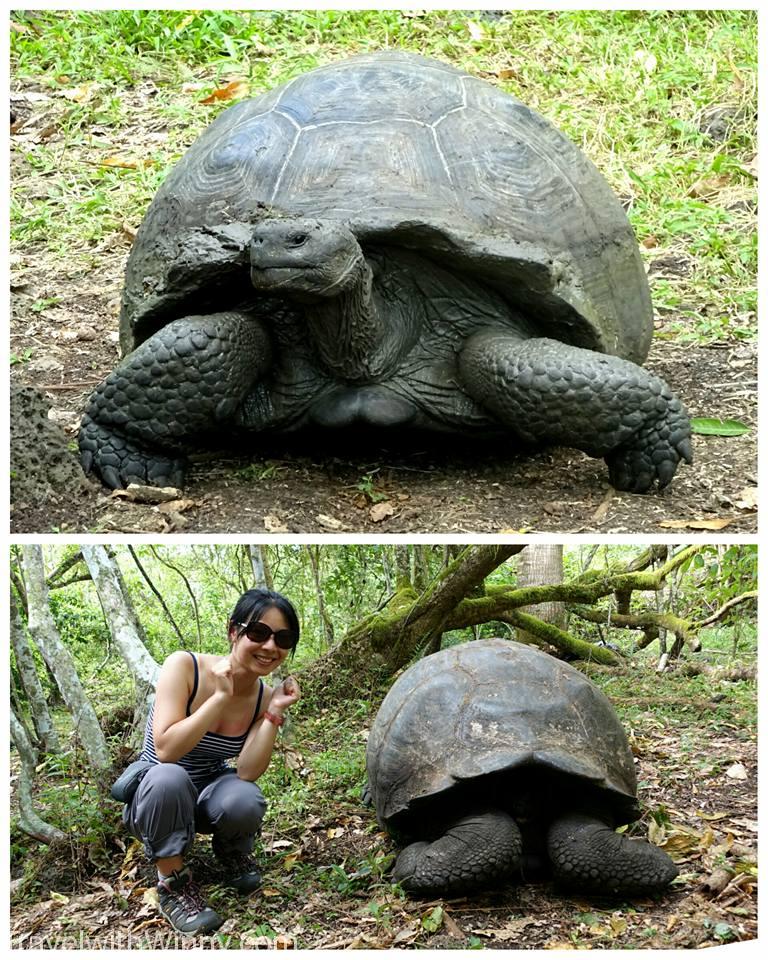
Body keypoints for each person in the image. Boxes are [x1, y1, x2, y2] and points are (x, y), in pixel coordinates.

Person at [123, 588, 302, 935]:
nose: (269, 647)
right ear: (233, 631)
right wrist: (220, 698)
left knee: (244, 795)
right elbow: (166, 750)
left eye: (282, 638)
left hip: (206, 791)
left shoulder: (263, 696)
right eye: (258, 633)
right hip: (155, 794)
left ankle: (231, 852)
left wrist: (274, 712)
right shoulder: (184, 666)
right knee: (169, 777)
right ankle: (173, 884)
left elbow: (248, 770)